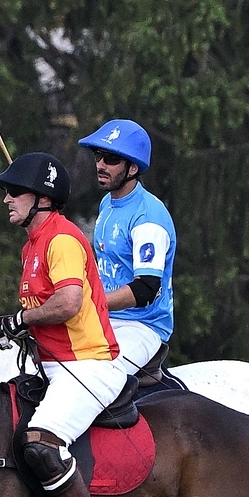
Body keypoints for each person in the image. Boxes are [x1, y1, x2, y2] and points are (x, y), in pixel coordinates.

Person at [0, 152, 127, 497]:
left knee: (41, 442)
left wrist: (21, 318)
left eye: (15, 191)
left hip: (88, 365)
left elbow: (68, 303)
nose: (6, 199)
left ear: (42, 198)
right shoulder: (32, 245)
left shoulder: (61, 239)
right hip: (54, 366)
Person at [79, 120, 176, 386]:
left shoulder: (148, 217)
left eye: (111, 159)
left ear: (133, 168)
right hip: (104, 318)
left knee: (94, 381)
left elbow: (146, 289)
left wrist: (90, 302)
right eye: (98, 156)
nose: (100, 165)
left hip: (141, 326)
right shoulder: (108, 203)